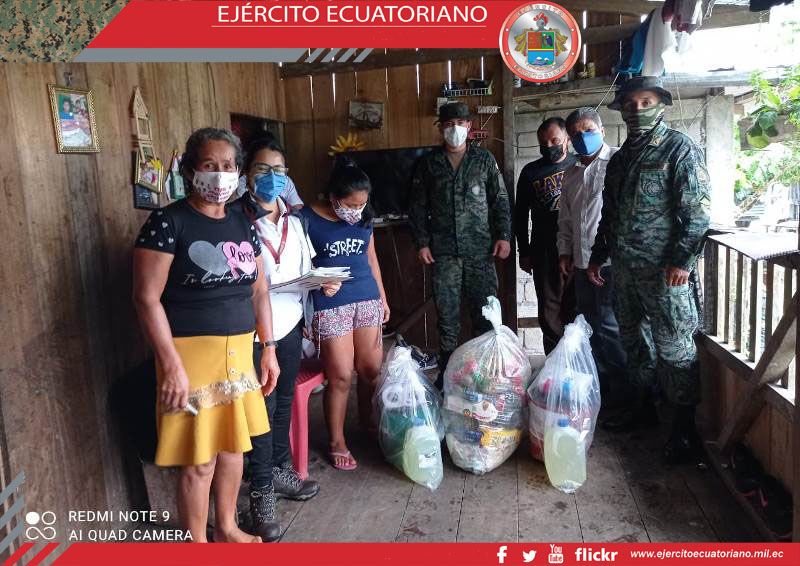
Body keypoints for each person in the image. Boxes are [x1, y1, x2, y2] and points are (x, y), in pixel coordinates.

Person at [132, 127, 279, 543]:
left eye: (228, 166)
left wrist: (268, 348)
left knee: (233, 448)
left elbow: (259, 291)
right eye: (209, 165)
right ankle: (196, 544)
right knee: (199, 461)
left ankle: (227, 528)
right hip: (190, 357)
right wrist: (170, 366)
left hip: (240, 352)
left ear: (239, 172)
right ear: (190, 170)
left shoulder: (243, 222)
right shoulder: (168, 222)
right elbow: (146, 298)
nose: (220, 175)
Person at [587, 76, 710, 463]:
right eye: (630, 104)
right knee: (634, 344)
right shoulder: (620, 159)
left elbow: (697, 213)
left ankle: (685, 430)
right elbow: (610, 215)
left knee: (676, 348)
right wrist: (598, 255)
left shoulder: (679, 149)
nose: (637, 110)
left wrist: (682, 261)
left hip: (665, 274)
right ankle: (643, 410)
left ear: (661, 105)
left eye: (645, 102)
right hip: (626, 271)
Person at [242, 137, 341, 541]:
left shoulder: (294, 221)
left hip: (288, 326)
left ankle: (281, 472)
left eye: (279, 171)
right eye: (262, 170)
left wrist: (323, 283)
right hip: (253, 334)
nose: (272, 177)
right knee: (261, 413)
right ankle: (260, 494)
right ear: (246, 174)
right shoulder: (237, 221)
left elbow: (304, 267)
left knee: (282, 404)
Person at [409, 102, 511, 389]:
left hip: (481, 251)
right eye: (448, 123)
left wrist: (504, 235)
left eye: (460, 123)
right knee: (447, 318)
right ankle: (448, 378)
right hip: (443, 253)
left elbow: (500, 200)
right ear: (441, 127)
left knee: (486, 314)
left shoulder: (484, 159)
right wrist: (422, 243)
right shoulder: (428, 164)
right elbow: (417, 207)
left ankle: (487, 376)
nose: (454, 128)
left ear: (469, 126)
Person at [301, 157, 390, 471]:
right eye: (351, 205)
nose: (356, 211)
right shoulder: (305, 218)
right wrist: (317, 283)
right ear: (333, 198)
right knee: (339, 376)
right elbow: (295, 267)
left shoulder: (364, 218)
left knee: (370, 370)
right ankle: (337, 441)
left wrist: (382, 298)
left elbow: (371, 258)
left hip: (366, 297)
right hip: (330, 303)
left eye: (362, 205)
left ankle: (366, 423)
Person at [557, 107, 628, 407]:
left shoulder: (619, 163)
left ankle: (624, 396)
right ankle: (600, 390)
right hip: (581, 263)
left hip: (611, 264)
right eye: (576, 134)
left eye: (588, 130)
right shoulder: (571, 173)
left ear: (602, 130)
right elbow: (566, 219)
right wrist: (564, 251)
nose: (583, 137)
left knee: (612, 328)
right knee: (589, 327)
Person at [514, 117, 577, 354]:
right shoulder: (531, 172)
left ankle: (577, 359)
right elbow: (520, 214)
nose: (549, 146)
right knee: (549, 309)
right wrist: (524, 251)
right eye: (543, 143)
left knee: (577, 306)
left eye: (554, 140)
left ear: (567, 139)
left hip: (578, 248)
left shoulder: (580, 165)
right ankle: (554, 361)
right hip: (545, 249)